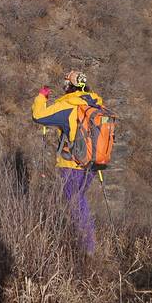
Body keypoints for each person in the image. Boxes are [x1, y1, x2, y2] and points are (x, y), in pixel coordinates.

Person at [31, 70, 102, 253]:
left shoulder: (69, 106)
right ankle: (86, 243)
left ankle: (87, 247)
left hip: (72, 164)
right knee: (79, 199)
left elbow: (39, 116)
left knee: (75, 202)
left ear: (69, 86)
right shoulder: (96, 104)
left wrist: (42, 97)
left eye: (65, 84)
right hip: (92, 164)